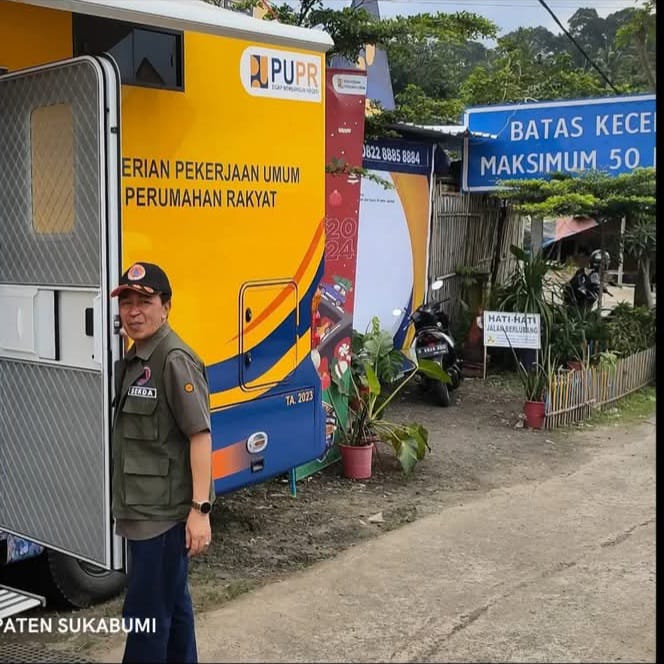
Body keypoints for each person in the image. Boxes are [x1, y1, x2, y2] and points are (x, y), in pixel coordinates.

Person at [110, 261, 214, 664]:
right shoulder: (138, 358)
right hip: (144, 511)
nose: (134, 312)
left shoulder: (173, 360)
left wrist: (200, 511)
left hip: (162, 518)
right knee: (173, 609)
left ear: (166, 307)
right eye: (127, 303)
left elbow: (200, 435)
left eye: (145, 302)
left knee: (146, 622)